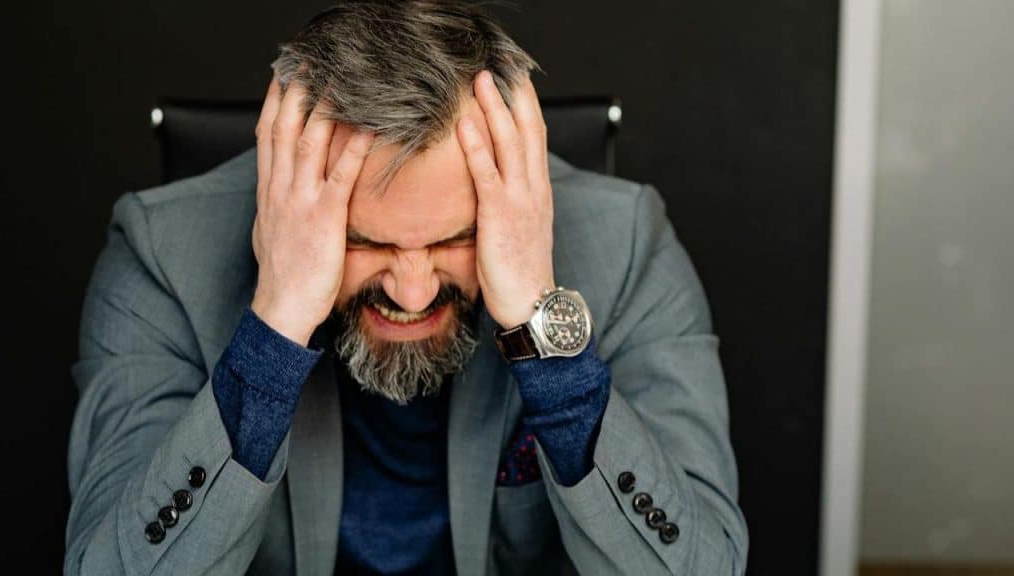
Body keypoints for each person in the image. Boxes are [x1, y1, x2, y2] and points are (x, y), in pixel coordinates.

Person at [64, 1, 748, 574]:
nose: (414, 292)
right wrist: (274, 327)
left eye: (454, 238)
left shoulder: (626, 244)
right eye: (365, 243)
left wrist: (547, 343)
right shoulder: (159, 253)